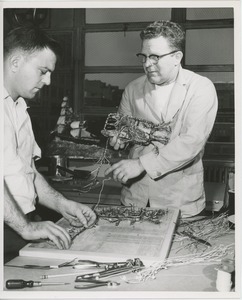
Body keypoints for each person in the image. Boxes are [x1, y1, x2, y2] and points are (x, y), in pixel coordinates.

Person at [105, 20, 218, 218]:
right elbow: (123, 131)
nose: (147, 64)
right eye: (144, 56)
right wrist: (119, 140)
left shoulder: (200, 88)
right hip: (134, 199)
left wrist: (140, 164)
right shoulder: (133, 89)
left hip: (179, 202)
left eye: (155, 57)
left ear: (177, 57)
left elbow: (191, 143)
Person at [3, 25, 96, 262]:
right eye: (43, 71)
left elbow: (29, 173)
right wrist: (26, 228)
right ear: (15, 63)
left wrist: (64, 205)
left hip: (20, 221)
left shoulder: (19, 109)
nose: (48, 81)